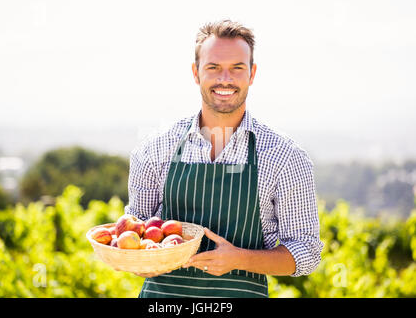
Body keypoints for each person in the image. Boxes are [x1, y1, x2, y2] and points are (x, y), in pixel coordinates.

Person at [124, 19, 323, 298]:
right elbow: (136, 230)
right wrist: (142, 260)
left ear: (252, 74)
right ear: (196, 73)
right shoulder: (155, 149)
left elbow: (306, 251)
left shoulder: (286, 157)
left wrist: (240, 258)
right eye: (213, 67)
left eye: (237, 68)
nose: (225, 79)